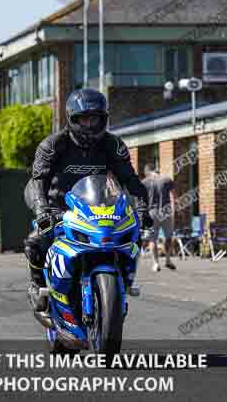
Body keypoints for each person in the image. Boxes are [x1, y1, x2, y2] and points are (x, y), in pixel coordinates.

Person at [23, 88, 152, 308]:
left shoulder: (113, 145)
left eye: (95, 119)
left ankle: (126, 278)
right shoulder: (53, 144)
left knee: (133, 230)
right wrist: (42, 210)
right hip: (56, 205)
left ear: (103, 119)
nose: (90, 125)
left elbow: (131, 180)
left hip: (98, 207)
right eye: (84, 119)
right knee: (36, 239)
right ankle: (39, 286)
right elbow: (38, 181)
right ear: (72, 118)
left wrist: (141, 210)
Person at [142, 163, 177, 272]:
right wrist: (174, 210)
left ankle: (156, 263)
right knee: (168, 237)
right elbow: (173, 196)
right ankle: (167, 259)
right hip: (166, 212)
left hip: (152, 213)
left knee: (152, 239)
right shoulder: (167, 180)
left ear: (147, 171)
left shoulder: (144, 182)